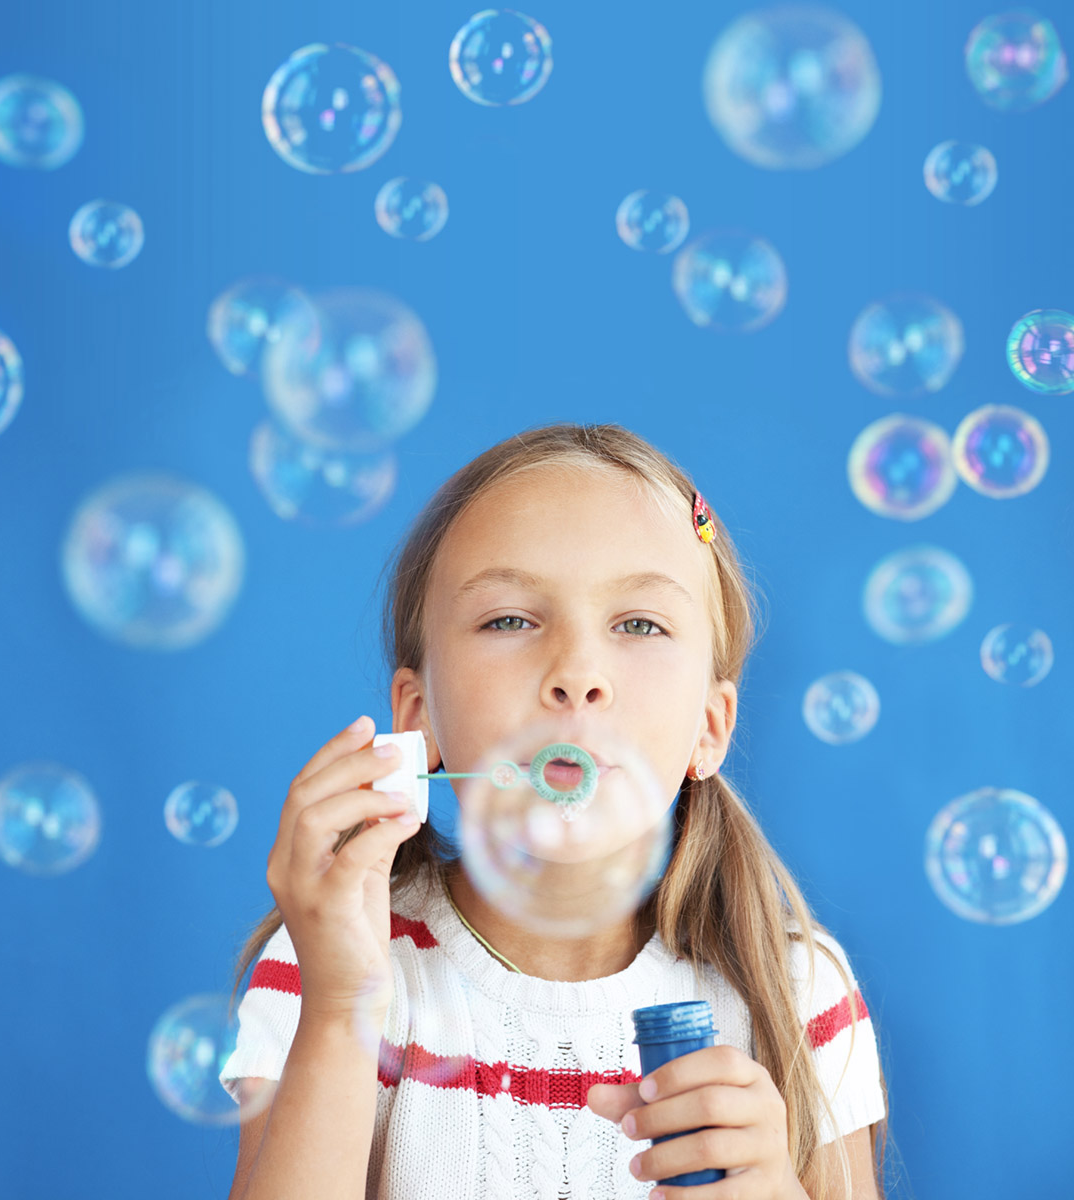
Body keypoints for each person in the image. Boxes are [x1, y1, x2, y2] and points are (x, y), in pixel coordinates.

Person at [221, 422, 893, 1200]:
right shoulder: (337, 963)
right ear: (417, 718)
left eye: (639, 623)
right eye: (510, 619)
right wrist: (341, 1006)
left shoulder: (794, 987)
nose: (577, 675)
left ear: (710, 729)